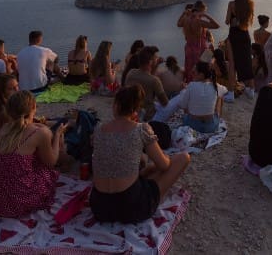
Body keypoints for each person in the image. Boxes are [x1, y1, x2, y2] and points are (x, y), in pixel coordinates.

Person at [90, 84, 191, 224]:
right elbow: (164, 165)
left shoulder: (99, 130)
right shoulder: (141, 129)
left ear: (115, 105)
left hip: (99, 207)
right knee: (183, 158)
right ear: (136, 110)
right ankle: (155, 197)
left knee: (145, 169)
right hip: (131, 208)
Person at [0, 90, 65, 218]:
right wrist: (57, 136)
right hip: (17, 203)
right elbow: (51, 162)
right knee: (47, 172)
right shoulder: (41, 133)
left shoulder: (4, 128)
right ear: (33, 108)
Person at [174, 61, 227, 132]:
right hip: (211, 126)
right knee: (220, 96)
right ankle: (218, 116)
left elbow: (183, 105)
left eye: (194, 72)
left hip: (193, 125)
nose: (192, 74)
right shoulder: (216, 86)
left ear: (201, 75)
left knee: (187, 101)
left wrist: (184, 91)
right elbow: (225, 90)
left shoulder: (191, 85)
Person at [225, 0, 255, 97]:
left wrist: (233, 20)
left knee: (232, 64)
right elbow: (247, 21)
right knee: (247, 60)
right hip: (245, 35)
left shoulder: (231, 4)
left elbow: (227, 21)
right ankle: (251, 90)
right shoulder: (250, 4)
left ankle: (231, 93)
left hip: (234, 35)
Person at [177, 1, 220, 83]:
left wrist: (183, 14)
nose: (204, 13)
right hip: (200, 49)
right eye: (204, 11)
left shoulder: (186, 19)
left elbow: (178, 24)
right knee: (203, 70)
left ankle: (191, 88)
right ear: (201, 10)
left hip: (188, 48)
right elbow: (216, 26)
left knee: (190, 70)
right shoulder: (198, 21)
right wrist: (206, 16)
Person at [125, 46, 169, 121]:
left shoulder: (131, 72)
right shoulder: (154, 81)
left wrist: (156, 65)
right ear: (150, 62)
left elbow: (146, 75)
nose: (157, 59)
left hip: (131, 112)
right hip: (148, 116)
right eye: (156, 58)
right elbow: (165, 102)